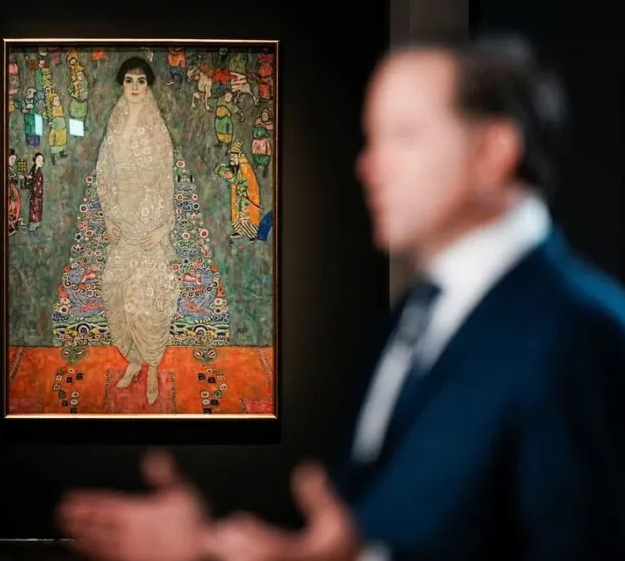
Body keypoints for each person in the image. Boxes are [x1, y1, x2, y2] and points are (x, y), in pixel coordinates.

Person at [58, 34, 625, 560]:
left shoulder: (580, 336)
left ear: (492, 151)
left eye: (404, 135)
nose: (368, 164)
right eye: (373, 137)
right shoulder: (413, 320)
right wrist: (231, 549)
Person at [96, 57, 179, 405]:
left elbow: (166, 183)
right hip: (122, 223)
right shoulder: (114, 125)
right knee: (115, 290)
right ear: (121, 84)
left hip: (148, 225)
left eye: (140, 80)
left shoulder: (156, 130)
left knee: (148, 300)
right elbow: (104, 174)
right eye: (129, 80)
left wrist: (162, 229)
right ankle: (133, 360)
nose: (134, 86)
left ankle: (153, 367)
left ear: (148, 86)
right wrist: (109, 219)